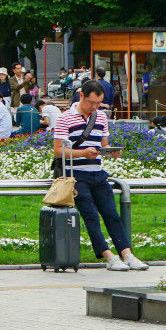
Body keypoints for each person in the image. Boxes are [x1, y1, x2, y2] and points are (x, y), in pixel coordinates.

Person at [54, 78, 147, 272]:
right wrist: (82, 153)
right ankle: (108, 256)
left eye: (99, 103)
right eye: (91, 102)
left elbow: (104, 144)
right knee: (91, 216)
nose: (95, 107)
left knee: (112, 214)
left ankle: (127, 254)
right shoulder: (65, 118)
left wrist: (111, 151)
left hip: (97, 172)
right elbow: (58, 151)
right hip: (76, 175)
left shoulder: (101, 117)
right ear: (81, 96)